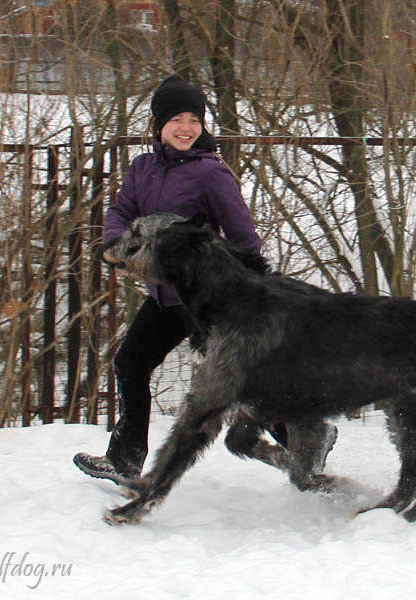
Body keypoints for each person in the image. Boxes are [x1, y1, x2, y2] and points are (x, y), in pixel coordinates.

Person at [73, 76, 336, 485]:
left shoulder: (210, 174)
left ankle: (309, 435)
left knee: (242, 382)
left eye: (193, 119)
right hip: (164, 298)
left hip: (206, 301)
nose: (185, 127)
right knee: (130, 363)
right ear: (158, 124)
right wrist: (115, 243)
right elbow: (121, 211)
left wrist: (255, 292)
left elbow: (244, 236)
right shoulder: (142, 168)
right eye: (176, 118)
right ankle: (124, 458)